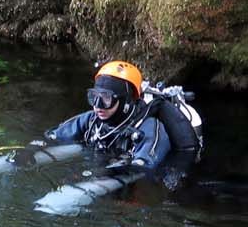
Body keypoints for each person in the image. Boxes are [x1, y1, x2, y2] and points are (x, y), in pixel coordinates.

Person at [25, 60, 201, 186]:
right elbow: (55, 135)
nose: (97, 106)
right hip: (109, 160)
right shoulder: (93, 119)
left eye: (106, 98)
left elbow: (144, 166)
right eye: (94, 96)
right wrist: (30, 149)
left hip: (136, 181)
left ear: (125, 101)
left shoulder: (149, 128)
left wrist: (105, 173)